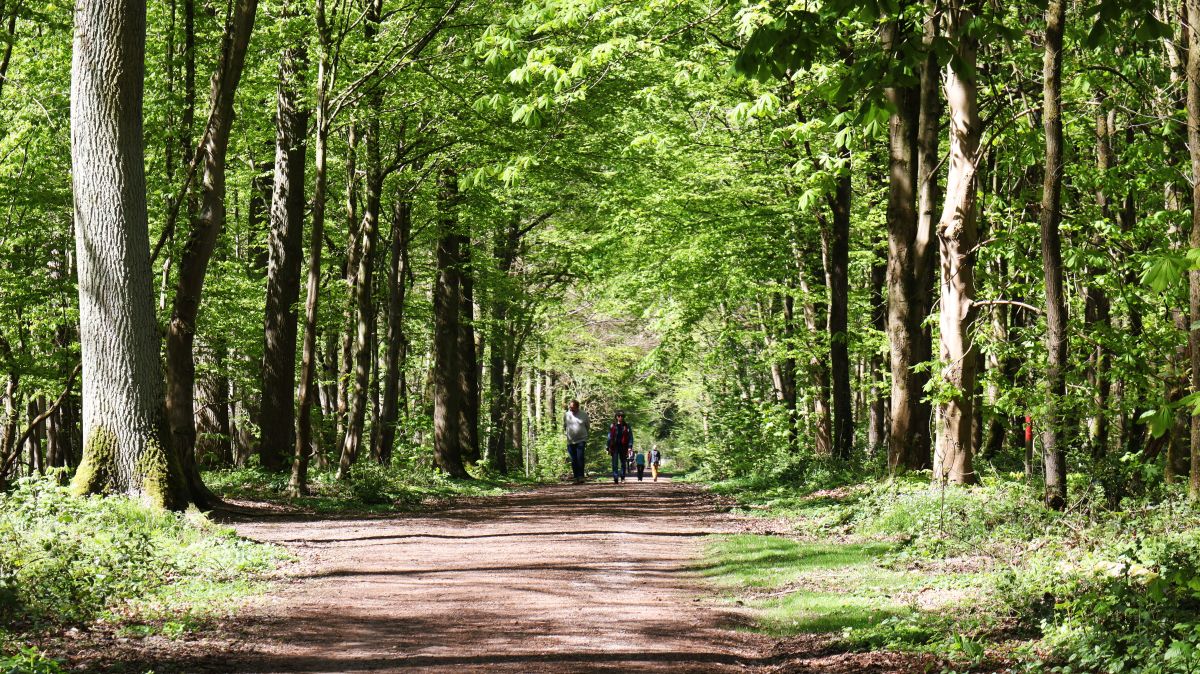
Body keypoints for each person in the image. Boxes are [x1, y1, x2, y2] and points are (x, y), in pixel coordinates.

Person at [563, 400, 589, 483]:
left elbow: (587, 426)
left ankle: (581, 476)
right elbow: (565, 426)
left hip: (581, 439)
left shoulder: (584, 415)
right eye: (570, 407)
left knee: (580, 457)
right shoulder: (567, 415)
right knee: (573, 459)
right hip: (570, 440)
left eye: (572, 407)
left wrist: (584, 435)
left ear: (577, 407)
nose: (571, 409)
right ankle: (576, 476)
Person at [606, 411, 633, 484]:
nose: (620, 417)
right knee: (614, 463)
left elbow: (630, 436)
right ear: (616, 417)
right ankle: (615, 477)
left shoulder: (627, 426)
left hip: (624, 446)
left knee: (623, 462)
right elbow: (609, 436)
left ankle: (623, 477)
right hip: (614, 446)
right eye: (618, 416)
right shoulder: (612, 425)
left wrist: (630, 447)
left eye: (622, 416)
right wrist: (607, 447)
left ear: (623, 417)